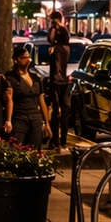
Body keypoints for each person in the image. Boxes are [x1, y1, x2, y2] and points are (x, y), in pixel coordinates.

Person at [7, 46, 51, 147]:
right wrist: (8, 120)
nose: (27, 60)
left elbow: (41, 100)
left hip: (36, 118)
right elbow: (9, 99)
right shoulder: (10, 78)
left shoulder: (35, 78)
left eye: (28, 57)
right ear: (16, 60)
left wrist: (47, 123)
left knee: (35, 148)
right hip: (19, 117)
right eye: (23, 57)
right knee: (18, 147)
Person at [46, 11, 72, 148]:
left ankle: (60, 140)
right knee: (59, 113)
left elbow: (52, 39)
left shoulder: (59, 49)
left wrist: (56, 28)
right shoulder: (62, 48)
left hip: (60, 82)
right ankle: (58, 140)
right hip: (60, 82)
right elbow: (50, 39)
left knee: (61, 113)